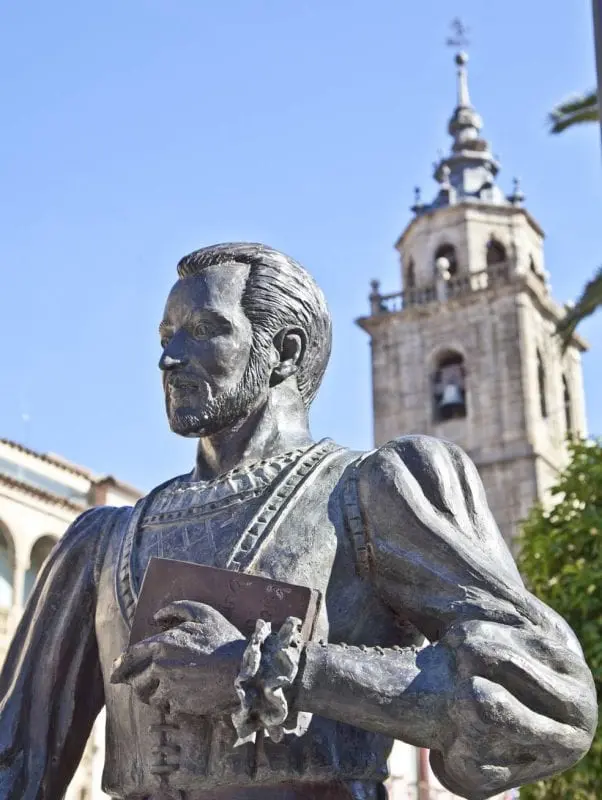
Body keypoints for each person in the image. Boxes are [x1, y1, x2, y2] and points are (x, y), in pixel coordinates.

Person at [0, 243, 596, 800]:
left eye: (204, 331)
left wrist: (270, 669)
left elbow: (548, 696)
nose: (169, 357)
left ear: (284, 352)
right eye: (166, 336)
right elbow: (14, 766)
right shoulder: (101, 544)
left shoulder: (371, 492)